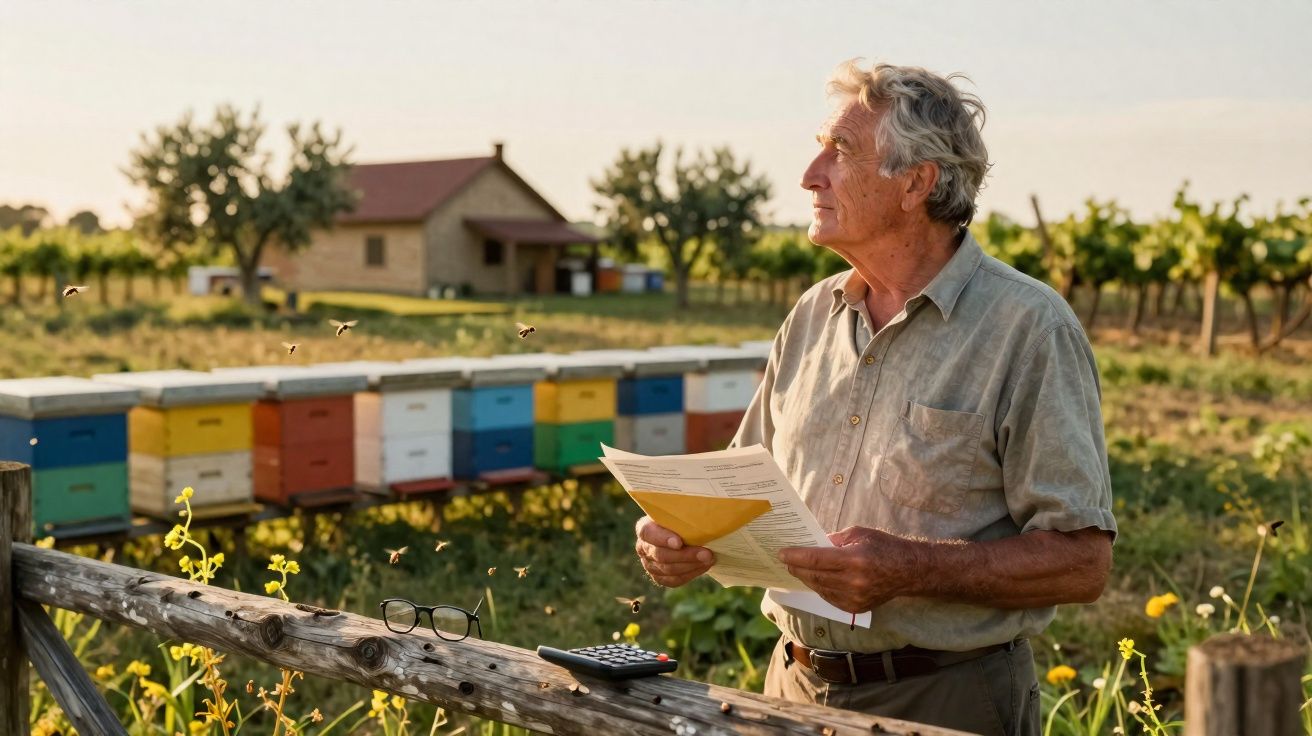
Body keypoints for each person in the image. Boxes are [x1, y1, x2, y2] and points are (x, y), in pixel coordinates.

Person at [633, 59, 1116, 735]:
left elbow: (1082, 561)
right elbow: (741, 491)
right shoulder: (810, 314)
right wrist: (678, 537)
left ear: (915, 183)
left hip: (947, 702)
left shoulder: (1029, 328)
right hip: (790, 687)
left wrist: (910, 568)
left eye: (841, 152)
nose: (809, 175)